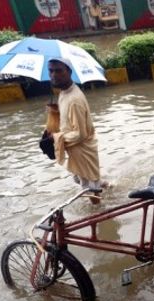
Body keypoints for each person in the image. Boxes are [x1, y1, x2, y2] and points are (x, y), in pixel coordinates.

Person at [47, 58, 105, 203]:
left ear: (69, 72)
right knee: (80, 179)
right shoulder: (63, 93)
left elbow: (80, 134)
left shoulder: (74, 100)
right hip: (74, 148)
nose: (54, 74)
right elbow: (68, 122)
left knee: (90, 190)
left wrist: (55, 138)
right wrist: (54, 114)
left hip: (82, 150)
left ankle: (98, 214)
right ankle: (103, 185)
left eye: (59, 70)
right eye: (51, 71)